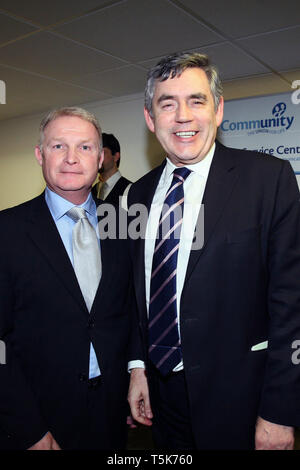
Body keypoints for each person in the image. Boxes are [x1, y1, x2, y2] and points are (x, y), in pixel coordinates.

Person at [127, 51, 300, 450]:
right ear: (151, 119)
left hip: (242, 401)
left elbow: (292, 305)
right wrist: (138, 368)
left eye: (196, 100)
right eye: (167, 104)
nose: (183, 116)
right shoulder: (139, 193)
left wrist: (279, 412)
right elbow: (140, 295)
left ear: (218, 110)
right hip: (162, 397)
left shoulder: (268, 179)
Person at [0, 107, 132, 450]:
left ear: (101, 157)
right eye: (59, 146)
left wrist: (135, 376)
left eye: (85, 147)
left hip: (113, 410)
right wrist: (28, 428)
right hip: (36, 416)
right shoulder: (7, 231)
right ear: (40, 155)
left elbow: (131, 312)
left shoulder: (126, 225)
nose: (72, 158)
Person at [92, 133, 131, 205]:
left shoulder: (130, 190)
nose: (97, 158)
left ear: (116, 156)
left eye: (102, 153)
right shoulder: (90, 192)